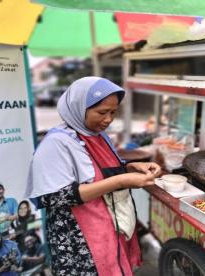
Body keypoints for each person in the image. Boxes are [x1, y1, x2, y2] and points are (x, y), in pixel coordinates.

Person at [25, 77, 161, 275]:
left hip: (108, 226)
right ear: (79, 107)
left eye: (113, 112)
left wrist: (132, 167)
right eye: (101, 112)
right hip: (78, 238)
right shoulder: (56, 143)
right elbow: (53, 197)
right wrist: (122, 180)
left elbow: (100, 170)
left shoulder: (98, 135)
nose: (108, 119)